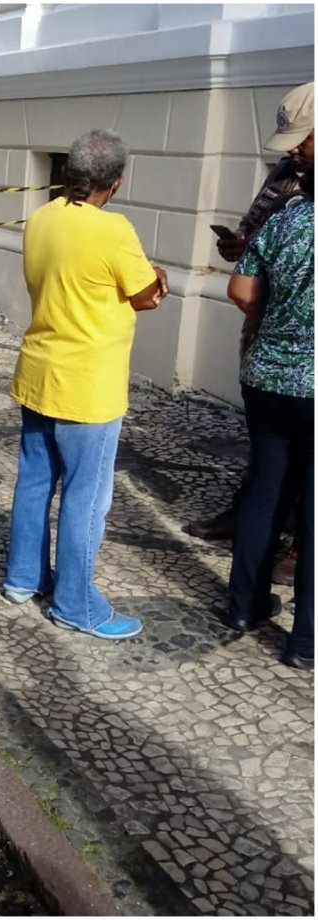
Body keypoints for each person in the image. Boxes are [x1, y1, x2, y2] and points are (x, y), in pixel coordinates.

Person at [4, 129, 168, 640]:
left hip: (39, 371)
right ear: (115, 183)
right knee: (85, 496)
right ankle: (76, 605)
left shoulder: (41, 217)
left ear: (66, 174)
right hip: (88, 386)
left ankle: (22, 579)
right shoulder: (113, 230)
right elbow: (144, 295)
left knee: (35, 481)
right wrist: (158, 280)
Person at [185, 82, 314, 574]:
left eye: (304, 138)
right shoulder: (288, 171)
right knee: (269, 444)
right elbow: (257, 232)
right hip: (268, 328)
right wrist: (241, 246)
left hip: (299, 340)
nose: (296, 149)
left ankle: (300, 549)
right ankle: (251, 521)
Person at [223, 160, 313, 669]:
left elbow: (241, 289)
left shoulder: (285, 218)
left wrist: (278, 320)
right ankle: (306, 639)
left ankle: (244, 607)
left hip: (268, 378)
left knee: (265, 490)